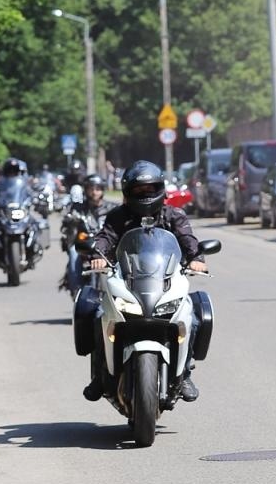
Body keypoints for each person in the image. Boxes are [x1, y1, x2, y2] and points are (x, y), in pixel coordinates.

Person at [85, 161, 208, 403]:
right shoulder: (118, 217)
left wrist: (197, 259)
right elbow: (105, 238)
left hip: (164, 281)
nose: (145, 194)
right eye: (139, 190)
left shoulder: (174, 216)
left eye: (150, 189)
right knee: (98, 315)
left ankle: (184, 373)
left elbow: (188, 240)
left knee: (193, 317)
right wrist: (96, 255)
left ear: (160, 189)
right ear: (127, 192)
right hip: (127, 281)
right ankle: (101, 374)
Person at [59, 176, 117, 290]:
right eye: (91, 189)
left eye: (98, 189)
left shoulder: (112, 208)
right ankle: (76, 288)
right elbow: (67, 220)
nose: (94, 192)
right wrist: (70, 219)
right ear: (86, 190)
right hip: (85, 243)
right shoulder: (78, 208)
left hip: (107, 244)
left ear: (102, 190)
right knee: (73, 252)